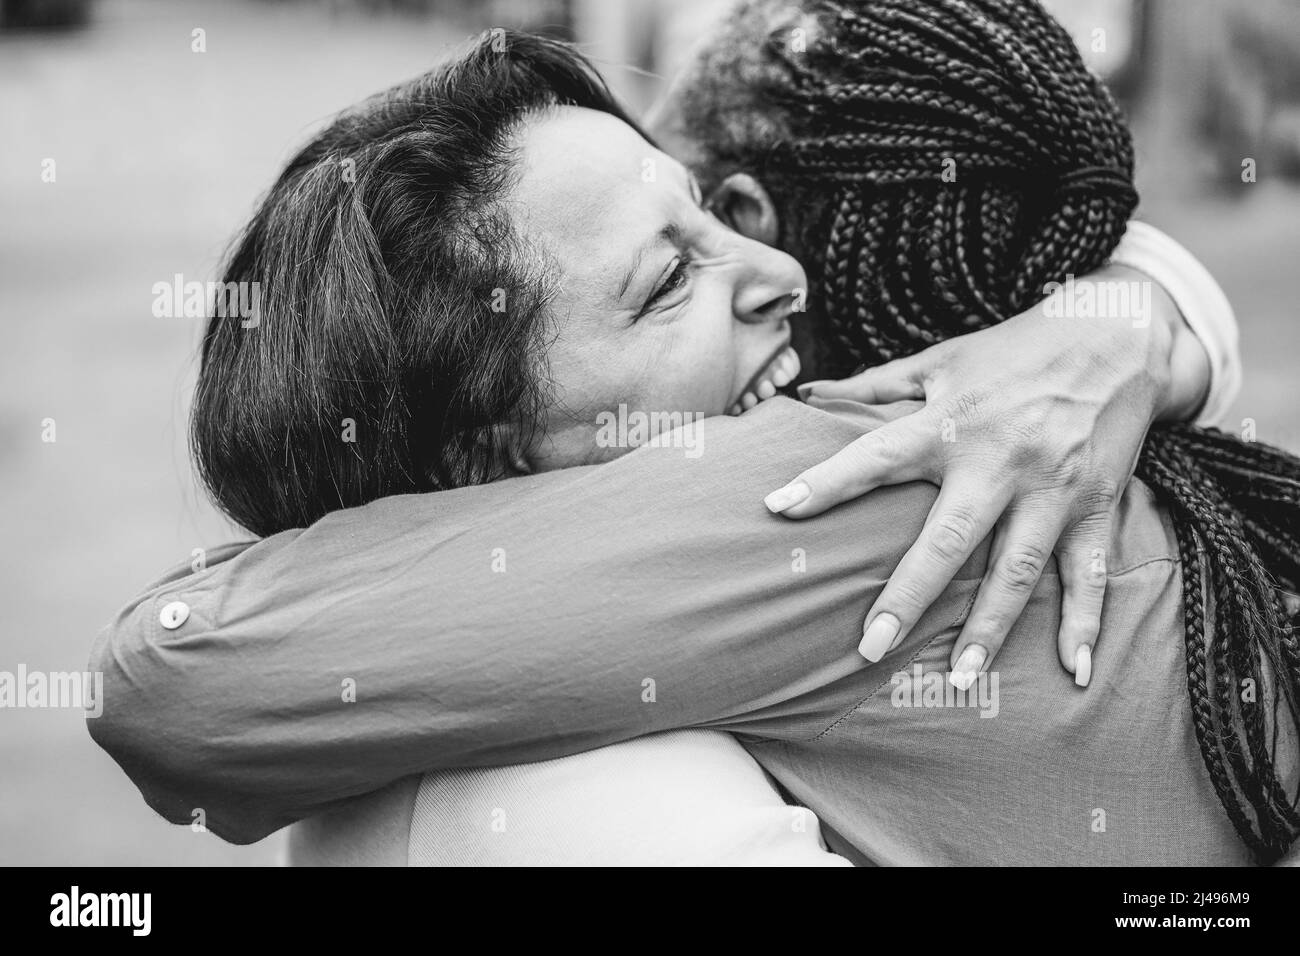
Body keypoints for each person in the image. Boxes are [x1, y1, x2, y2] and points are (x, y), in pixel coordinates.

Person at [88, 3, 1300, 865]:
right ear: (485, 458)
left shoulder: (820, 479)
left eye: (714, 219)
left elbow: (176, 677)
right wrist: (1130, 318)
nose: (775, 266)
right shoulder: (993, 429)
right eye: (668, 279)